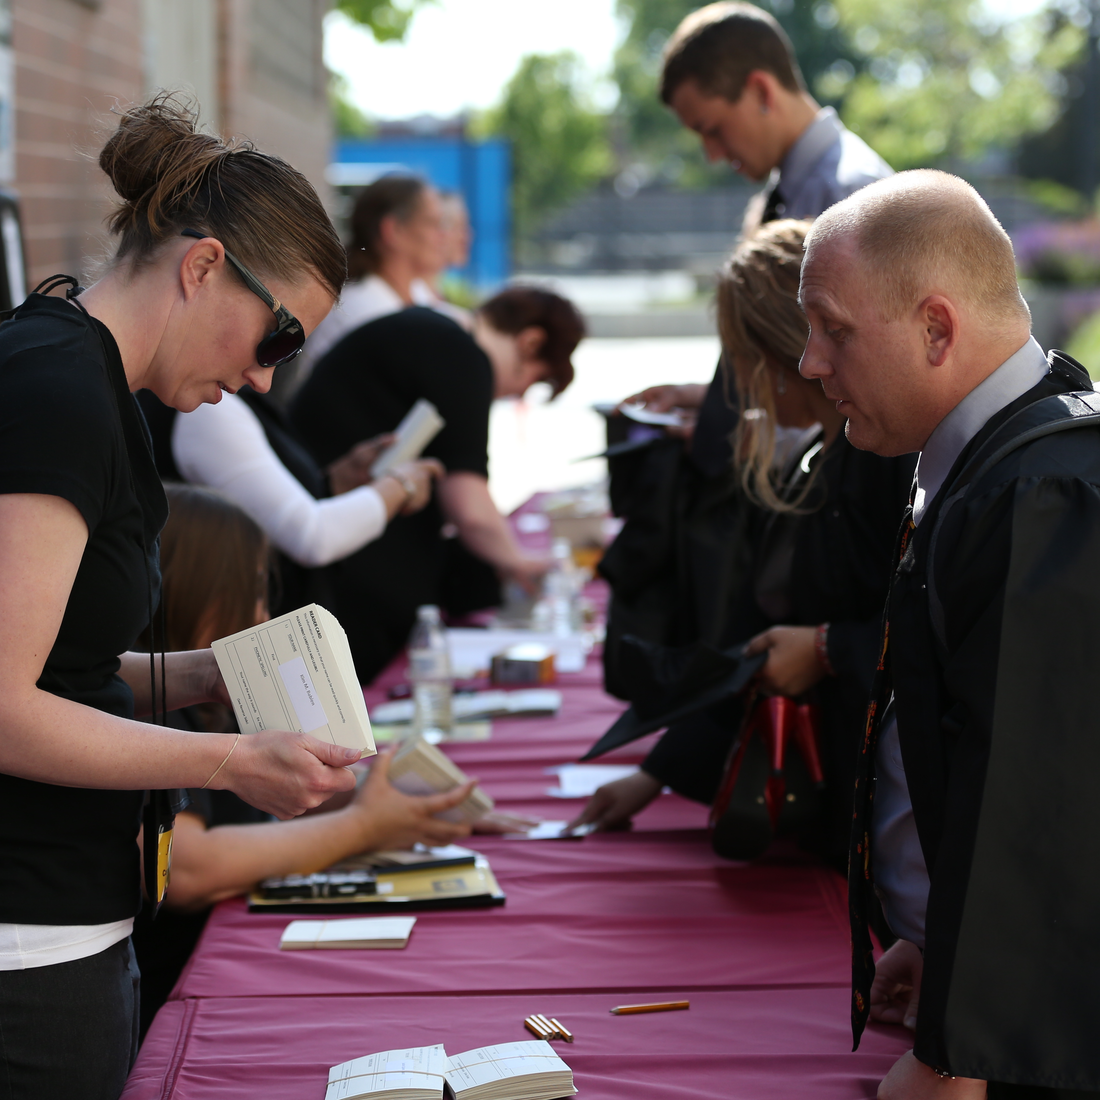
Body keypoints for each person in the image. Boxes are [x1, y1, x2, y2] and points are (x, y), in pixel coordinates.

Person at [0, 93, 362, 1100]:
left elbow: (52, 663)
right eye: (277, 336)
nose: (260, 378)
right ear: (202, 265)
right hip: (26, 936)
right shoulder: (61, 388)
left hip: (57, 916)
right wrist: (229, 757)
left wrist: (203, 673)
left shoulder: (71, 369)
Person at [800, 170, 1100, 1098]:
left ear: (937, 327)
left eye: (834, 329)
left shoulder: (1036, 491)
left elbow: (1034, 806)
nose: (811, 362)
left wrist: (956, 1052)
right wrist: (937, 944)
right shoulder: (1000, 460)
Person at [572, 222, 913, 869]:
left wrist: (825, 647)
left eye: (738, 360)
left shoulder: (879, 456)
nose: (736, 388)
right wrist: (657, 773)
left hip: (874, 807)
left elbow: (929, 627)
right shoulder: (828, 452)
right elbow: (761, 633)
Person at [598, 1, 893, 704]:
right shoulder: (796, 191)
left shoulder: (848, 197)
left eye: (712, 128)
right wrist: (719, 399)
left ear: (761, 89)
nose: (710, 153)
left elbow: (863, 379)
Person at [130, 484, 478, 1036]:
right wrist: (362, 826)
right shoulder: (155, 718)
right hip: (173, 991)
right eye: (254, 594)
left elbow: (258, 817)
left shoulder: (209, 706)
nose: (265, 614)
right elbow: (190, 868)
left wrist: (393, 800)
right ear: (195, 590)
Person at [291, 287, 585, 681]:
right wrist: (519, 562)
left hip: (330, 549)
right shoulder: (460, 353)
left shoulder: (434, 333)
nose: (517, 393)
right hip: (341, 575)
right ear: (531, 342)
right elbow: (469, 506)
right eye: (533, 381)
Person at [137, 382, 443, 614]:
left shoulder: (220, 400)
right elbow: (311, 537)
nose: (264, 378)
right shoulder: (205, 408)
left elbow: (272, 504)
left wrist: (336, 482)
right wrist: (400, 484)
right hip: (221, 629)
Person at [297, 175, 448, 378]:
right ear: (394, 230)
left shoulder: (418, 294)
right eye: (432, 223)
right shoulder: (360, 308)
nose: (443, 236)